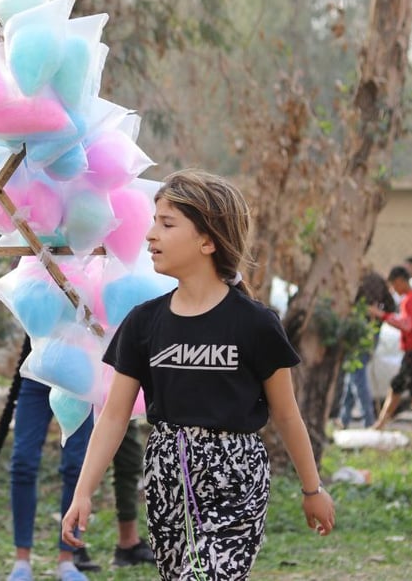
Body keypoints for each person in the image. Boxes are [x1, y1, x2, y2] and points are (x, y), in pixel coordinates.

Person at [61, 169, 334, 580]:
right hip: (166, 474)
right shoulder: (143, 323)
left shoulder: (256, 324)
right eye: (153, 221)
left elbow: (287, 413)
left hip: (236, 477)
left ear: (208, 241)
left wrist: (312, 490)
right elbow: (114, 416)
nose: (150, 234)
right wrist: (83, 491)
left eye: (167, 224)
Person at [7, 377, 153, 581]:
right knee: (23, 463)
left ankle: (67, 559)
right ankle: (21, 562)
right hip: (37, 372)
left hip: (79, 374)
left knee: (75, 466)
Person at [337, 268, 396, 427]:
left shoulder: (355, 279)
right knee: (353, 374)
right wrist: (378, 318)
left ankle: (368, 420)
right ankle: (344, 418)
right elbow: (392, 307)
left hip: (358, 334)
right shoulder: (378, 280)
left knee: (357, 375)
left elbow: (348, 306)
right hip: (372, 332)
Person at [372, 266, 412, 429]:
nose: (394, 289)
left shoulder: (410, 300)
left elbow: (407, 324)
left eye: (394, 285)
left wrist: (383, 315)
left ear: (400, 281)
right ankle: (381, 423)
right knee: (398, 385)